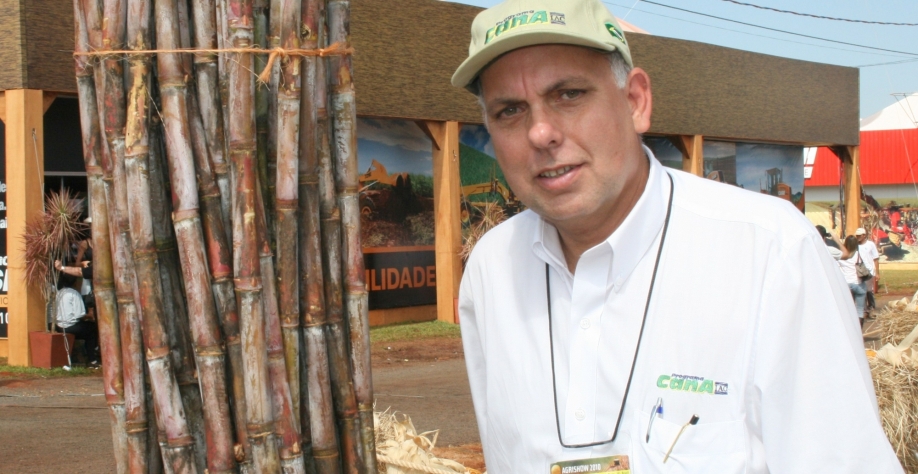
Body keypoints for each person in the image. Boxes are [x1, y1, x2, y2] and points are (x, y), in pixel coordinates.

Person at [452, 1, 902, 472]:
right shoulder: (491, 269)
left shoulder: (769, 252)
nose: (541, 132)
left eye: (568, 94)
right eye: (509, 110)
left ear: (635, 101)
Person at [54, 272, 98, 367]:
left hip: (59, 326)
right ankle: (92, 359)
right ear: (75, 282)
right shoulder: (74, 294)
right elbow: (79, 315)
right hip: (70, 326)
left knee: (87, 327)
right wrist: (89, 316)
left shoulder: (59, 293)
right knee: (92, 329)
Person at [856, 227, 880, 317]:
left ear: (864, 235)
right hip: (859, 271)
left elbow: (876, 259)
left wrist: (877, 272)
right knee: (862, 290)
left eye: (859, 235)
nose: (857, 237)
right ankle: (865, 310)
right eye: (856, 235)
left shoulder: (870, 244)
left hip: (869, 271)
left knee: (869, 290)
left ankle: (871, 307)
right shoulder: (855, 245)